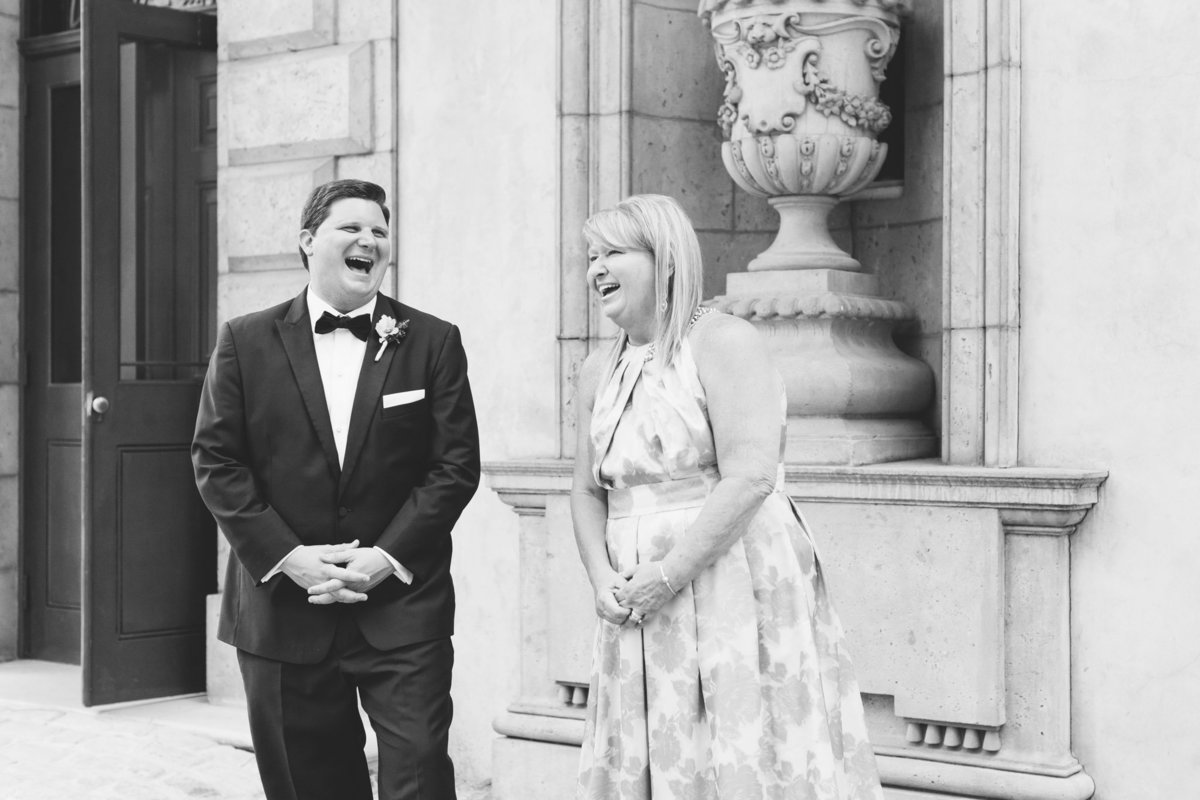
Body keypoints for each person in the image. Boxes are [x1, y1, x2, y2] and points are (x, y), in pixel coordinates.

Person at [571, 194, 884, 799]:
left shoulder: (722, 341)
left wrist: (668, 573)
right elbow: (585, 489)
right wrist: (600, 576)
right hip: (633, 595)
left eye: (614, 252)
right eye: (591, 256)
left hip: (728, 579)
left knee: (739, 743)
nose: (596, 268)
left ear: (664, 259)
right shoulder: (596, 369)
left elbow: (751, 476)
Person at [192, 178, 480, 800]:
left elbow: (454, 466)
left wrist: (387, 557)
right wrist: (287, 558)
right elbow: (217, 461)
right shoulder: (244, 340)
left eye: (379, 231)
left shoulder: (433, 340)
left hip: (402, 606)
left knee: (421, 774)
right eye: (351, 227)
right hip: (282, 611)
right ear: (308, 241)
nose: (369, 241)